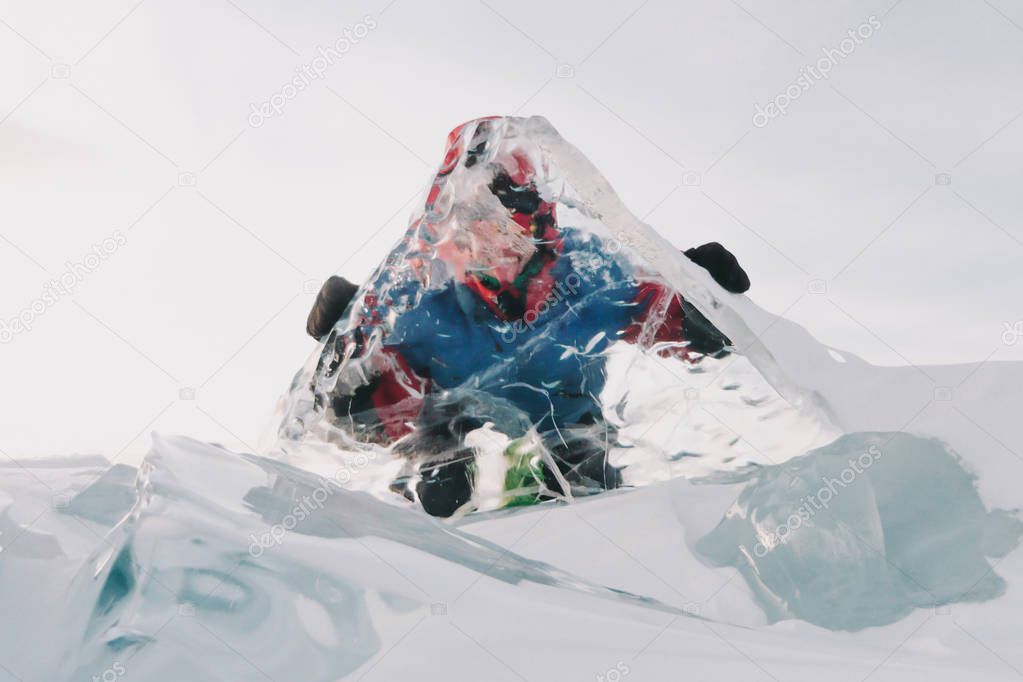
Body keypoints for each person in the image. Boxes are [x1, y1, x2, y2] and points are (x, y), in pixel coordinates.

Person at [306, 125, 750, 517]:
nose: (482, 239)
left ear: (536, 218)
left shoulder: (585, 272)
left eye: (498, 222)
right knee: (440, 491)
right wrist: (347, 371)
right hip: (450, 425)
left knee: (590, 491)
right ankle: (441, 549)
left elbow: (663, 319)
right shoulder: (419, 296)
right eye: (466, 220)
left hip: (569, 420)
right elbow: (377, 415)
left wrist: (698, 304)